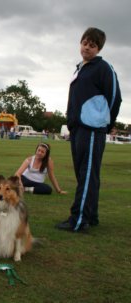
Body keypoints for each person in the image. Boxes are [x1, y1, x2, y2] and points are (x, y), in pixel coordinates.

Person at [56, 27, 122, 232]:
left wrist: (103, 123)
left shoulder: (103, 68)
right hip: (77, 130)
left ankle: (78, 219)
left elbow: (114, 98)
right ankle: (90, 215)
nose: (87, 47)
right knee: (84, 174)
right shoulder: (80, 68)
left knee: (87, 175)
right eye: (85, 43)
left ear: (99, 48)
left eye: (92, 45)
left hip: (93, 130)